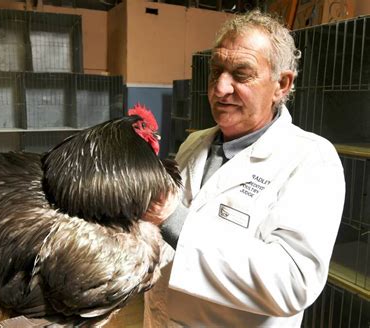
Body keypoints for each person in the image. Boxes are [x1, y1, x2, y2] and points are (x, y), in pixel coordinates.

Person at [142, 9, 346, 327]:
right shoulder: (193, 143)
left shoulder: (311, 160)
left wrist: (172, 219)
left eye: (241, 74)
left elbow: (292, 282)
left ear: (281, 84)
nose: (221, 88)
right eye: (216, 71)